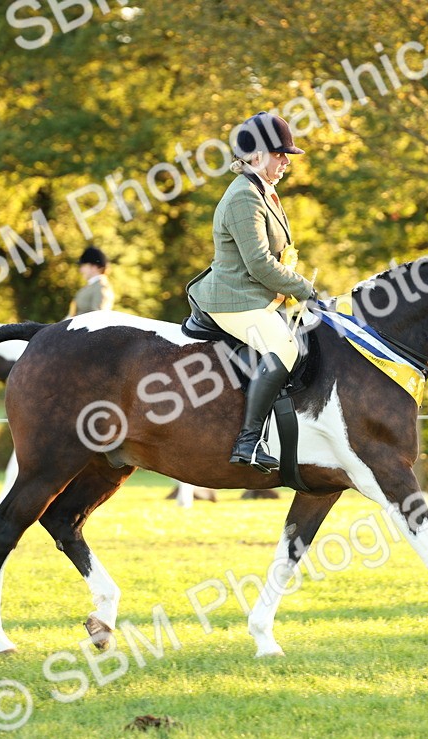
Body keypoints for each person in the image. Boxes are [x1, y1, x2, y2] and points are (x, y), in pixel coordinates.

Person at [186, 112, 314, 472]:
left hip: (259, 296)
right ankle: (249, 442)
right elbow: (259, 264)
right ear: (257, 156)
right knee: (284, 347)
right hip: (233, 298)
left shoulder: (263, 191)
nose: (287, 161)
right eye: (280, 154)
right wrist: (305, 288)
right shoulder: (244, 196)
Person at [68, 246, 114, 316]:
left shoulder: (101, 288)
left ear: (94, 267)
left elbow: (99, 318)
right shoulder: (91, 286)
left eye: (83, 266)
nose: (81, 270)